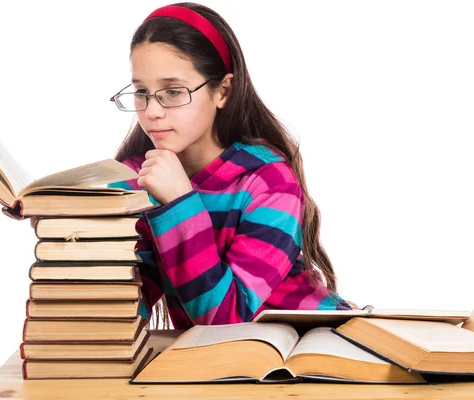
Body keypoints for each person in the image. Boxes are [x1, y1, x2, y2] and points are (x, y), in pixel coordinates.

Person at [107, 2, 354, 329]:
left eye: (173, 91)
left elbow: (226, 320)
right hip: (220, 365)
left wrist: (179, 204)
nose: (152, 111)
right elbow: (121, 305)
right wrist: (72, 230)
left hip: (313, 343)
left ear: (222, 91)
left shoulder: (268, 184)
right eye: (142, 92)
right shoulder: (137, 182)